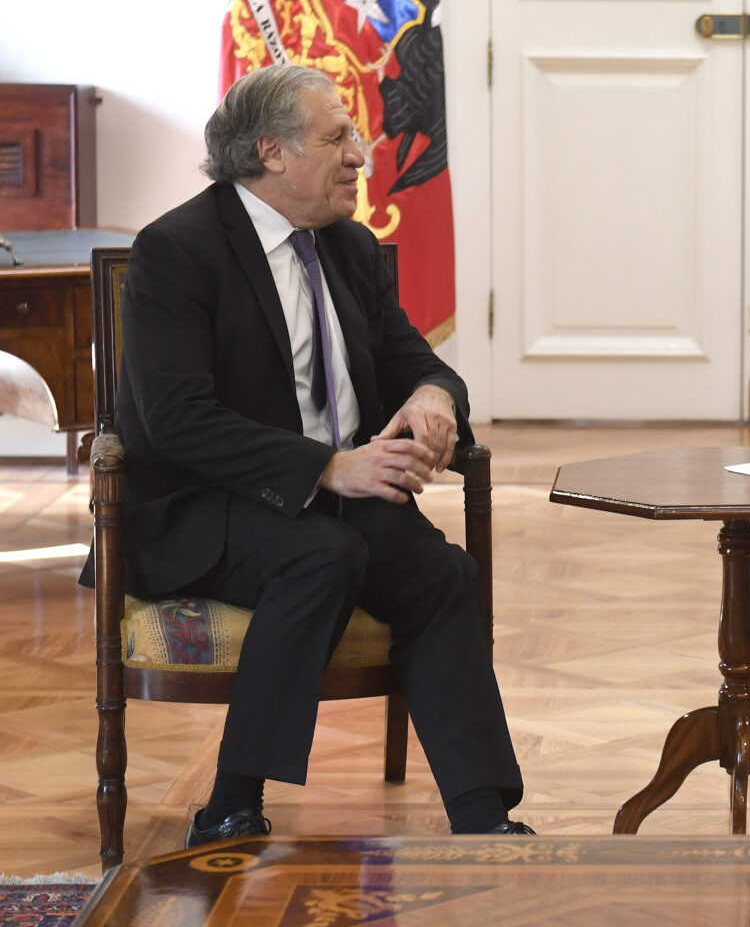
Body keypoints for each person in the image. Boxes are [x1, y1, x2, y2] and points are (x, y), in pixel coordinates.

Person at [102, 64, 530, 843]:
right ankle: (231, 803)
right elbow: (175, 419)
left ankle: (483, 814)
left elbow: (418, 364)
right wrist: (329, 467)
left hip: (330, 497)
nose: (361, 155)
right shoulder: (178, 250)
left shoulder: (349, 247)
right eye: (338, 137)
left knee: (442, 574)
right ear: (271, 151)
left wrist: (435, 400)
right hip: (203, 505)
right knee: (324, 555)